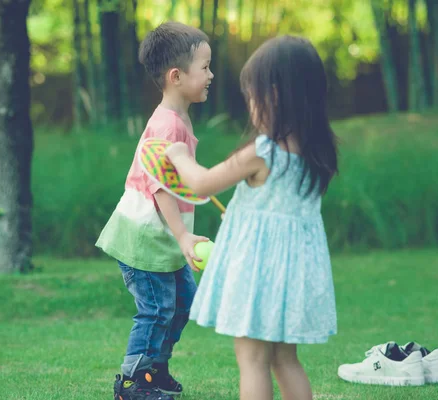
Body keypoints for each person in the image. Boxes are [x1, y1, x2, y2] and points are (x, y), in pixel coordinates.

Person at [165, 35, 339, 400]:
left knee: (253, 359)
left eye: (253, 97)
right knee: (285, 359)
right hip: (295, 275)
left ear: (274, 95)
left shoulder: (262, 153)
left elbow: (201, 184)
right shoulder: (315, 154)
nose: (251, 107)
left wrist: (179, 155)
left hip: (260, 273)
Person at [95, 21, 213, 400]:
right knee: (157, 309)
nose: (212, 75)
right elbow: (160, 186)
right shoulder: (167, 125)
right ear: (176, 76)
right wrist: (182, 235)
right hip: (145, 236)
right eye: (206, 67)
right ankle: (133, 382)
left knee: (181, 305)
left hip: (161, 238)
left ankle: (154, 372)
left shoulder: (177, 119)